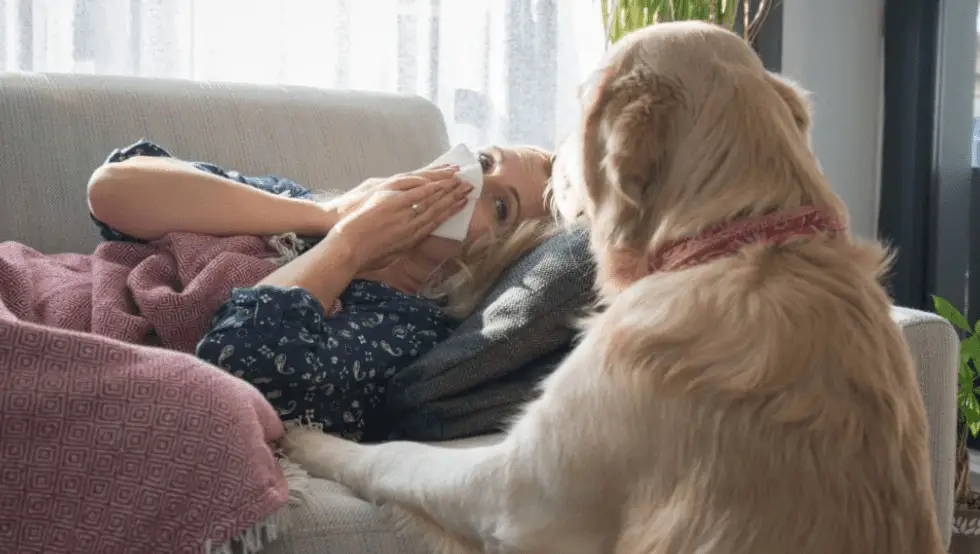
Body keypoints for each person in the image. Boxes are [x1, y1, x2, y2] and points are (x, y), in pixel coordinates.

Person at [87, 140, 556, 441]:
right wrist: (326, 217)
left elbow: (233, 367)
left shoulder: (406, 334)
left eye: (499, 208)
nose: (467, 183)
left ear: (502, 258)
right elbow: (110, 192)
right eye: (483, 162)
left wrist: (348, 248)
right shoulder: (308, 208)